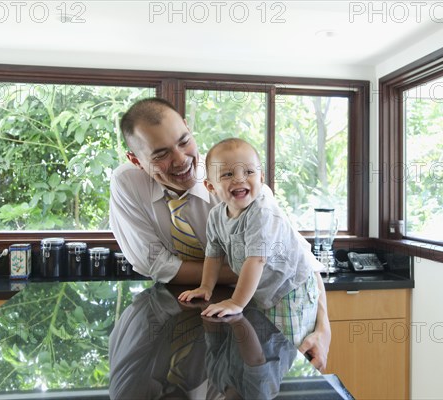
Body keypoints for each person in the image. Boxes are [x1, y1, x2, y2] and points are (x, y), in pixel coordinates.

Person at [109, 97, 330, 369]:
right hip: (207, 317)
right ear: (136, 160)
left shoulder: (244, 188)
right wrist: (210, 283)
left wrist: (324, 328)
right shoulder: (127, 183)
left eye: (183, 141)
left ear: (189, 129)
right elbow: (153, 263)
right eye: (161, 154)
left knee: (271, 367)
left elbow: (298, 257)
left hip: (276, 298)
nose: (181, 160)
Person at [178, 138, 319, 345]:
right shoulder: (217, 215)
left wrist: (236, 302)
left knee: (288, 346)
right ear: (210, 186)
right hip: (263, 289)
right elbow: (214, 254)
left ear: (261, 177)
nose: (239, 179)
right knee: (264, 344)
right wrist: (206, 286)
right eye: (227, 174)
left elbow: (256, 260)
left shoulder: (261, 211)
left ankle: (290, 373)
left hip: (289, 288)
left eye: (249, 172)